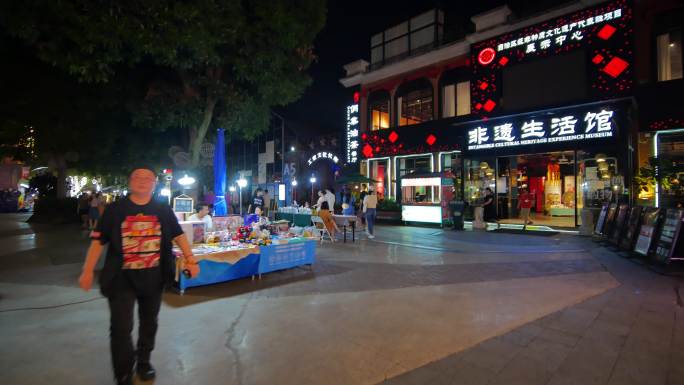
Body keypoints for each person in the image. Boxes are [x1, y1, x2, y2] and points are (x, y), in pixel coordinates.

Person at [78, 166, 199, 385]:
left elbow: (178, 235)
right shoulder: (115, 209)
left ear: (154, 183)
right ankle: (123, 372)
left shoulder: (162, 209)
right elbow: (98, 241)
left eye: (148, 178)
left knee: (149, 322)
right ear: (130, 181)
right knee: (121, 327)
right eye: (137, 177)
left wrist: (191, 259)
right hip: (121, 278)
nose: (142, 181)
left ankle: (144, 362)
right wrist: (87, 271)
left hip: (154, 276)